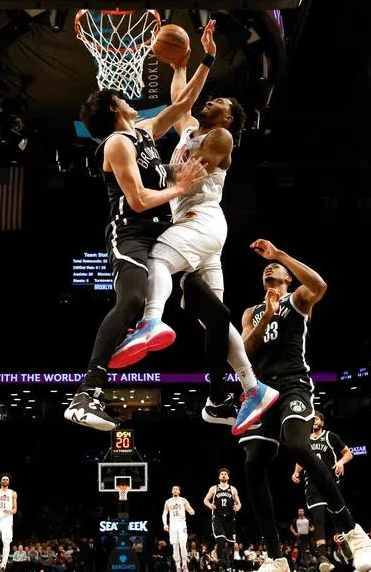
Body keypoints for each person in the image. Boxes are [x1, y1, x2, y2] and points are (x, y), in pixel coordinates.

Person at [63, 22, 218, 431]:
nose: (129, 98)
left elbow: (183, 102)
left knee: (186, 290)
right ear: (115, 107)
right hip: (129, 232)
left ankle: (217, 375)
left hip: (157, 234)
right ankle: (86, 394)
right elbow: (138, 201)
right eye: (121, 98)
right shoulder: (116, 143)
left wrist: (202, 60)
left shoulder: (145, 131)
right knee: (130, 300)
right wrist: (179, 186)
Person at [108, 64, 277, 434]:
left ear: (227, 116)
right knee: (213, 317)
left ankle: (151, 320)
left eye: (217, 100)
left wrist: (144, 166)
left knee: (155, 260)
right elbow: (180, 101)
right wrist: (181, 65)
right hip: (203, 235)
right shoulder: (189, 129)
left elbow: (187, 174)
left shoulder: (221, 137)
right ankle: (252, 387)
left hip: (200, 220)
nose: (209, 100)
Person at [236, 241, 371, 572]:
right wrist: (266, 316)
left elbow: (319, 286)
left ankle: (353, 532)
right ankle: (276, 560)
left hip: (293, 385)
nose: (268, 269)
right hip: (261, 391)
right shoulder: (251, 312)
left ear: (286, 276)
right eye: (265, 268)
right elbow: (245, 350)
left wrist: (280, 255)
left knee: (299, 446)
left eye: (274, 269)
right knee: (253, 463)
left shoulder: (298, 299)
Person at [290, 412, 352, 572]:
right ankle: (323, 556)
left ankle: (343, 543)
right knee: (318, 518)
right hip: (312, 484)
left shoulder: (331, 437)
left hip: (330, 481)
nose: (313, 421)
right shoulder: (305, 440)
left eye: (316, 419)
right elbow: (300, 460)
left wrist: (340, 462)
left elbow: (348, 453)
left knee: (336, 518)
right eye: (311, 420)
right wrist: (296, 472)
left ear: (322, 422)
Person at [203, 469, 241, 572]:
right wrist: (210, 505)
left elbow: (239, 503)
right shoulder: (214, 488)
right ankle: (221, 566)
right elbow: (206, 500)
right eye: (222, 474)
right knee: (220, 542)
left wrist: (237, 507)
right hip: (218, 518)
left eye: (225, 474)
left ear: (228, 477)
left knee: (230, 544)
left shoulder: (233, 489)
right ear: (219, 477)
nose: (223, 475)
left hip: (230, 518)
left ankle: (228, 563)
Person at [162, 485, 195, 572]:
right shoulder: (168, 501)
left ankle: (184, 565)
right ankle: (178, 567)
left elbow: (189, 509)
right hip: (173, 524)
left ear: (179, 491)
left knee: (183, 545)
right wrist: (165, 524)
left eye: (177, 489)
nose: (175, 490)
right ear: (172, 491)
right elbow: (164, 513)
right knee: (175, 546)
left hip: (181, 524)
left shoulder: (183, 500)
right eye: (174, 489)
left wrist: (191, 511)